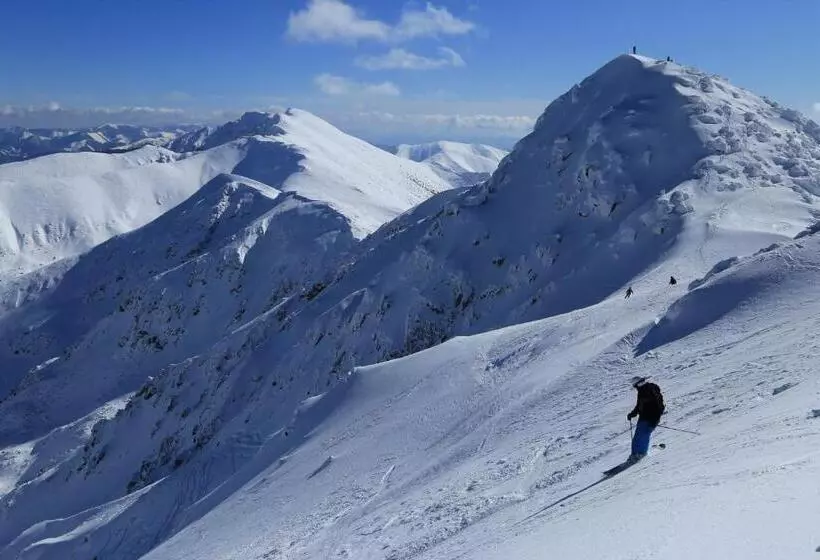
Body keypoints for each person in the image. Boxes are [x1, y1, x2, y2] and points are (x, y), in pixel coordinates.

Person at [626, 376, 664, 462]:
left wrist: (655, 418)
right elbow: (640, 406)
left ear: (638, 384)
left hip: (650, 418)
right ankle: (636, 454)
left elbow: (658, 405)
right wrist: (632, 414)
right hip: (645, 417)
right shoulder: (644, 390)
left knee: (642, 436)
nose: (635, 388)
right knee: (639, 436)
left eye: (635, 386)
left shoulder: (648, 389)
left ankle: (640, 454)